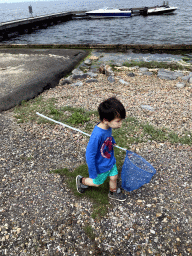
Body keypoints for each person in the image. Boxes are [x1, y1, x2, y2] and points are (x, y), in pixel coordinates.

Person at [76, 97, 126, 201]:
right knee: (96, 183)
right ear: (105, 120)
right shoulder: (97, 136)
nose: (120, 124)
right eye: (118, 121)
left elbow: (108, 137)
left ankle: (113, 192)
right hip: (101, 166)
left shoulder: (108, 127)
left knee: (114, 177)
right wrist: (93, 172)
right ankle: (82, 181)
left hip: (109, 161)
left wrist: (111, 140)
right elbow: (89, 155)